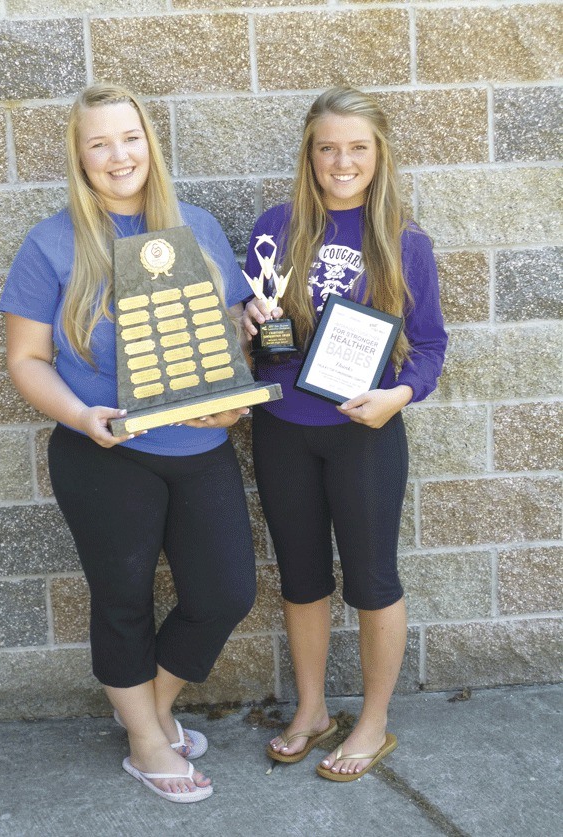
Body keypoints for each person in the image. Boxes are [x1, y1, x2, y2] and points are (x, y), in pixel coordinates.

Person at [0, 82, 257, 804]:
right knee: (122, 601)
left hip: (198, 450)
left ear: (151, 142)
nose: (119, 155)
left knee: (226, 591)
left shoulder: (197, 227)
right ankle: (147, 742)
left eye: (130, 137)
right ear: (80, 157)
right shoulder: (51, 242)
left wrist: (231, 410)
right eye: (100, 142)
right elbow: (26, 359)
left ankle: (148, 706)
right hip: (102, 452)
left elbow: (228, 345)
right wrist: (82, 416)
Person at [242, 86, 447, 781]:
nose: (342, 160)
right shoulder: (276, 225)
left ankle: (373, 720)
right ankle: (311, 709)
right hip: (282, 430)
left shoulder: (402, 238)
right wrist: (245, 324)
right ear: (310, 152)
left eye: (357, 147)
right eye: (328, 146)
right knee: (300, 578)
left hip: (365, 432)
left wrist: (398, 395)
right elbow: (260, 336)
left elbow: (429, 348)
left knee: (371, 579)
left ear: (378, 152)